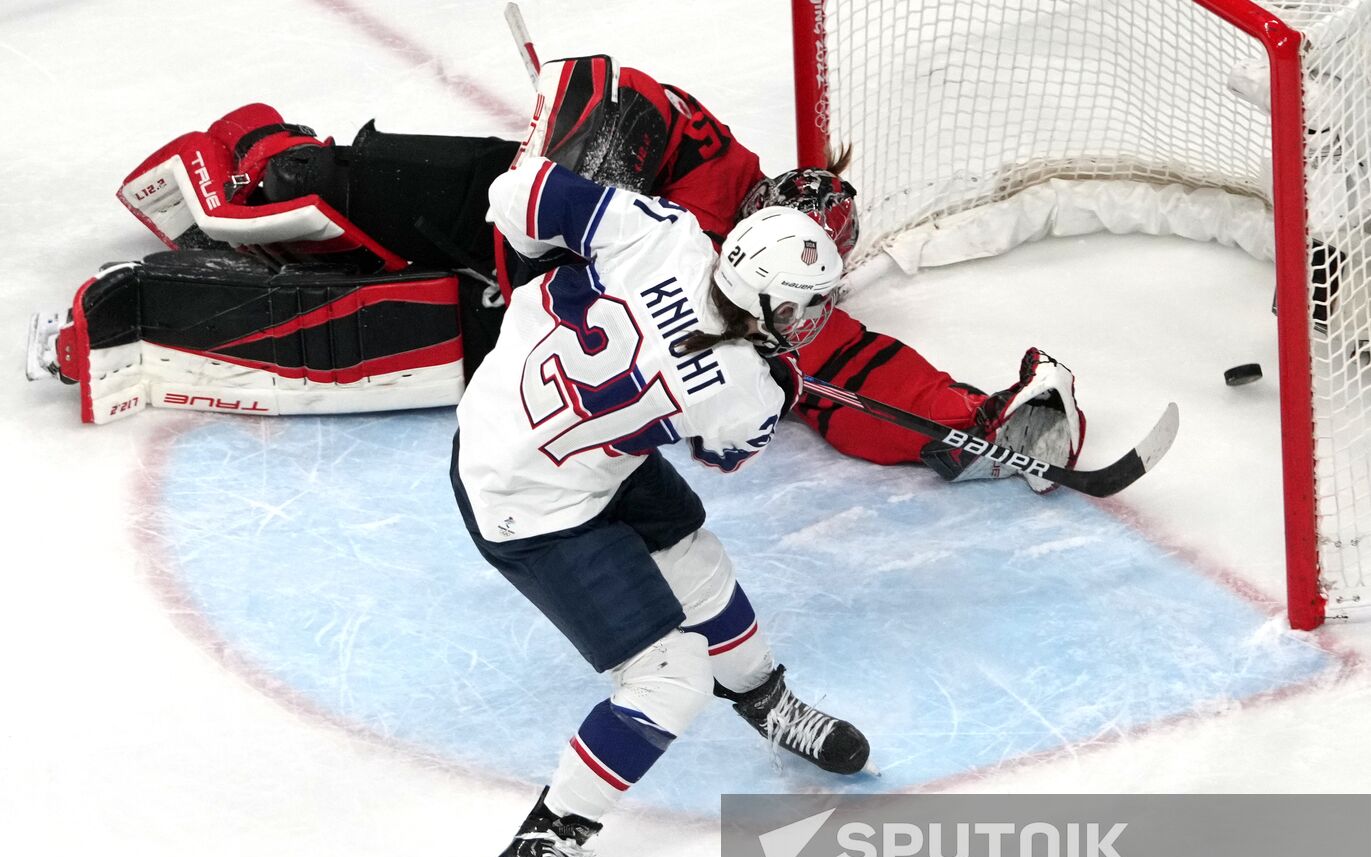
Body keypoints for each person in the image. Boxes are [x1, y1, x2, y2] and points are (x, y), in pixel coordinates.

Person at [27, 56, 1084, 490]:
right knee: (284, 179)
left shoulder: (791, 321)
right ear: (769, 203)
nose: (796, 300)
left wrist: (984, 424)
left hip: (515, 327)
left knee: (346, 327)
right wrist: (590, 158)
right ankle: (263, 165)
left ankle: (138, 326)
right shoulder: (717, 164)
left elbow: (870, 386)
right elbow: (602, 84)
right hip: (506, 208)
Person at [452, 154, 868, 857]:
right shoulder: (749, 391)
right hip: (527, 503)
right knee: (668, 676)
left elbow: (517, 192)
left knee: (693, 554)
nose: (816, 316)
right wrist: (771, 374)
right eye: (808, 306)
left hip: (535, 433)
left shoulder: (664, 234)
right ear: (775, 302)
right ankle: (536, 855)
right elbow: (726, 450)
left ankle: (763, 702)